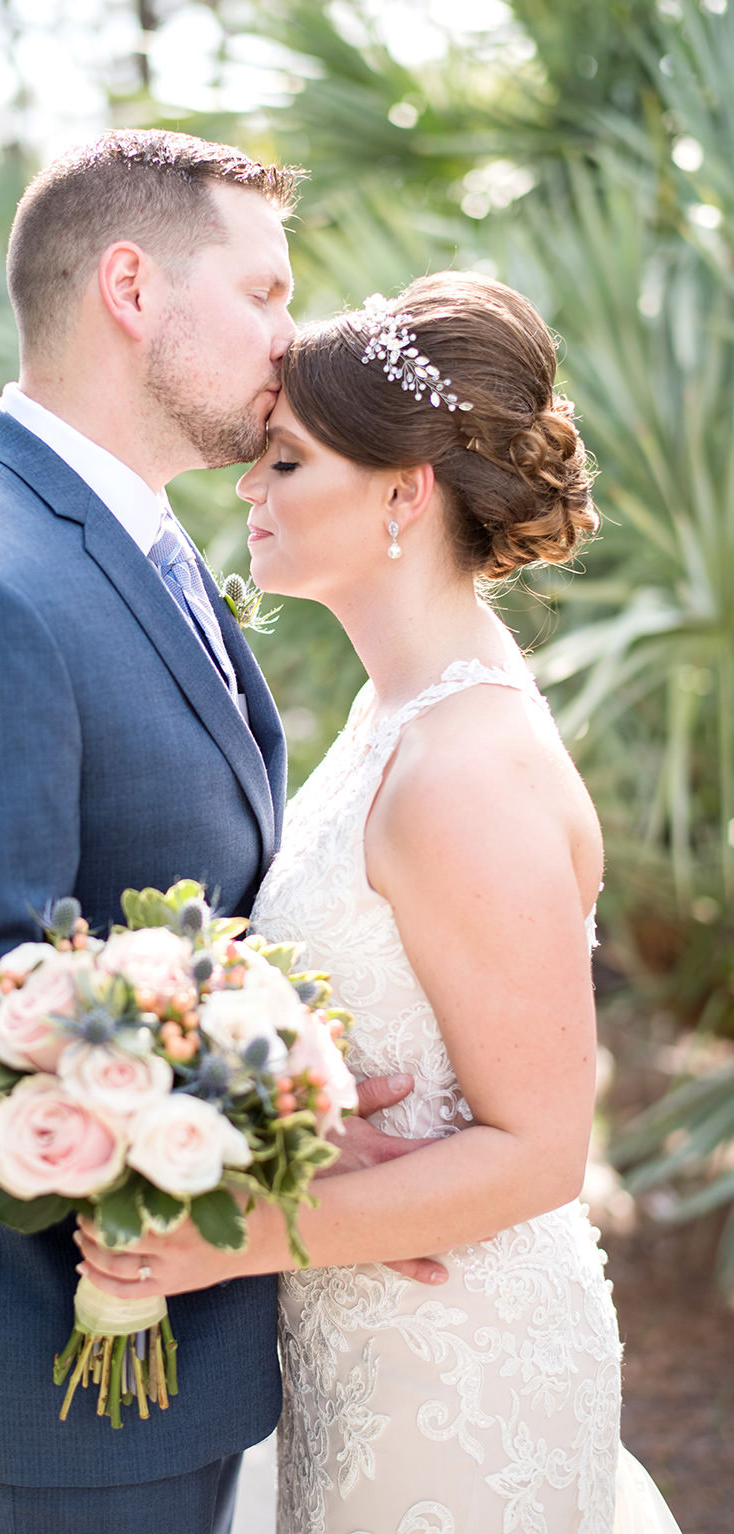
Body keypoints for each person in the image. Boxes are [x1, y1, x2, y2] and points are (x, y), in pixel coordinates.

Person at [0, 129, 440, 1534]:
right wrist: (287, 1140)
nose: (293, 339)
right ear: (130, 286)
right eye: (267, 291)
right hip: (73, 1361)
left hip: (181, 1341)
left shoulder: (132, 538)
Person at [77, 272, 683, 1532]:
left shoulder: (463, 768)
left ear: (403, 491)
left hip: (461, 1367)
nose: (249, 485)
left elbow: (541, 1149)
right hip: (366, 1339)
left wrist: (232, 1236)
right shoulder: (389, 714)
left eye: (286, 461)